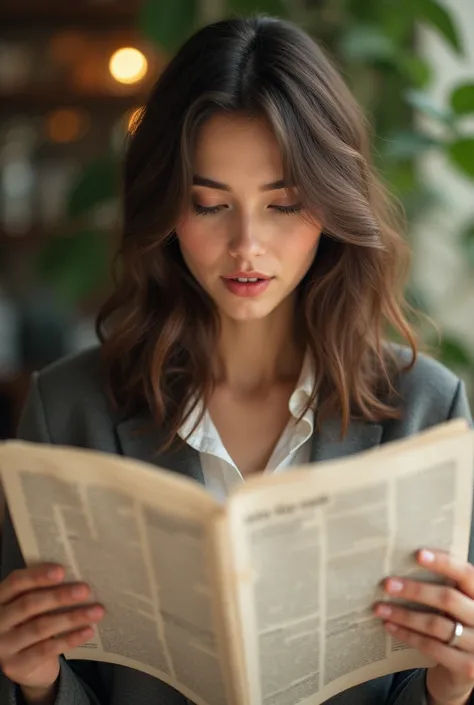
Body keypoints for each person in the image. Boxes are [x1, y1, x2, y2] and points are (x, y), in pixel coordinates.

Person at [0, 14, 473, 705]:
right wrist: (37, 684)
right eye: (209, 204)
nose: (246, 245)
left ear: (331, 206)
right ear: (166, 208)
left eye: (283, 205)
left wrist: (452, 685)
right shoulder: (69, 408)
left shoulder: (427, 409)